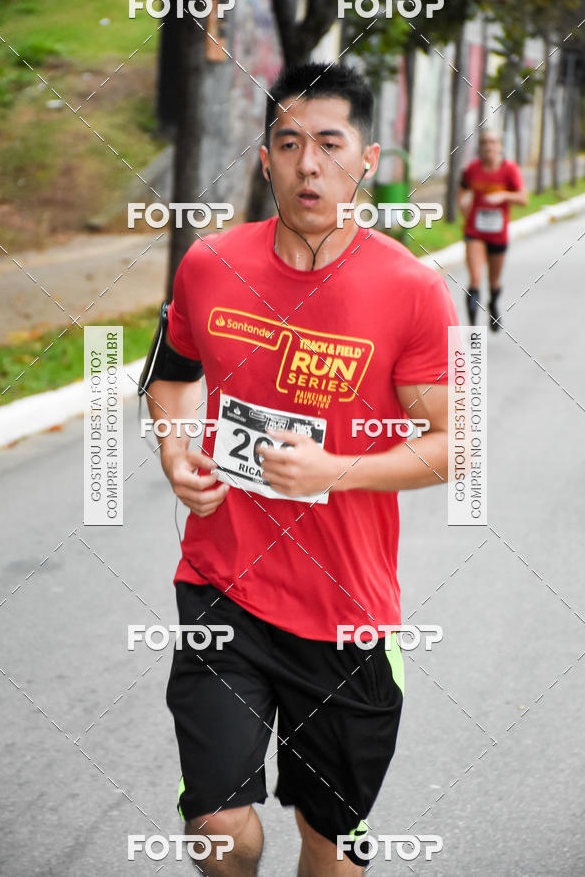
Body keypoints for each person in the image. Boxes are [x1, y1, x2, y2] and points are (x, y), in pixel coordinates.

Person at [142, 62, 458, 876]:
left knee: (329, 844)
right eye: (288, 143)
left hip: (345, 617)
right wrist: (176, 449)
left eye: (328, 143)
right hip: (224, 587)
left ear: (368, 158)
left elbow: (458, 445)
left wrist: (337, 469)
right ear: (265, 158)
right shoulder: (209, 264)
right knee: (222, 827)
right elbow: (171, 373)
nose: (307, 164)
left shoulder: (414, 289)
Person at [458, 130, 528, 331]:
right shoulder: (473, 169)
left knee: (494, 281)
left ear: (500, 146)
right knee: (474, 280)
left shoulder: (509, 170)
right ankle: (473, 330)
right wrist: (463, 204)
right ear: (480, 147)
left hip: (498, 233)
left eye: (493, 142)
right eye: (485, 142)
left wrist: (504, 196)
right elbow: (462, 189)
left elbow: (524, 199)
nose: (489, 146)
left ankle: (493, 304)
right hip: (475, 231)